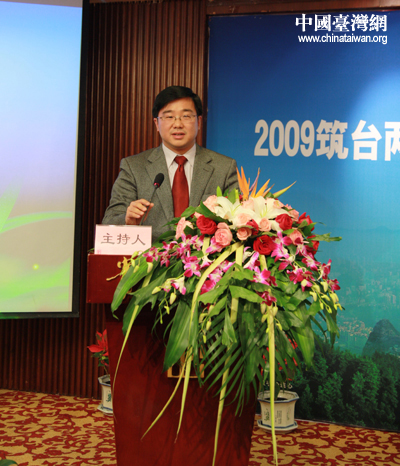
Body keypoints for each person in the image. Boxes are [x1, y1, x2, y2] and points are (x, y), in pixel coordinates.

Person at [102, 85, 238, 242]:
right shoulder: (133, 167)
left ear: (199, 122)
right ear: (156, 124)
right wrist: (128, 220)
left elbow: (236, 221)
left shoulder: (224, 168)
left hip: (204, 256)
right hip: (149, 256)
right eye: (169, 117)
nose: (177, 124)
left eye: (186, 116)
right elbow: (110, 221)